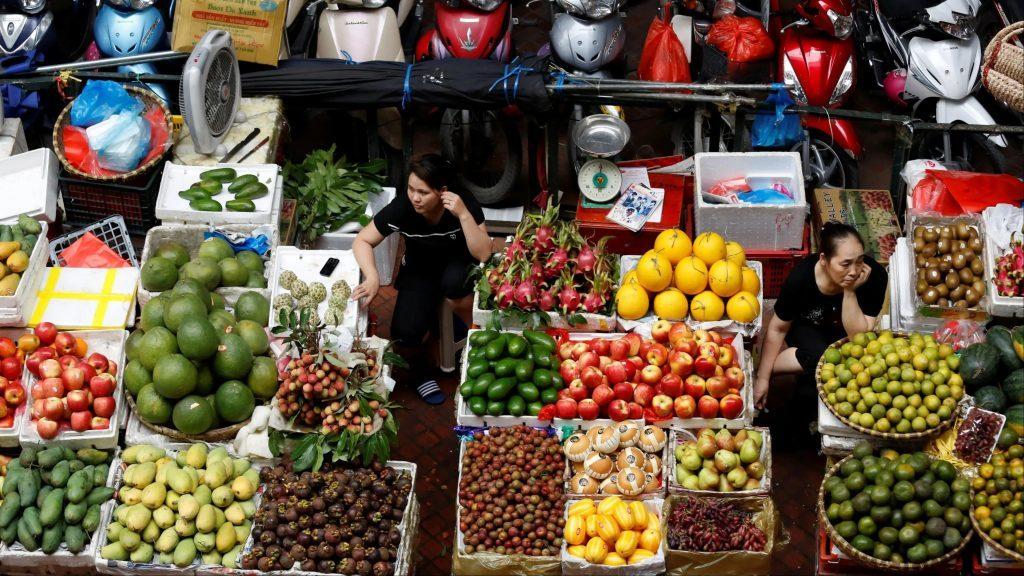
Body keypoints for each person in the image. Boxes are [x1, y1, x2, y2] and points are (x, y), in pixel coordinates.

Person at [351, 155, 492, 404]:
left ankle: (474, 335)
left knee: (455, 284)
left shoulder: (463, 201)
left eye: (423, 192)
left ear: (442, 192)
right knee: (404, 332)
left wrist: (463, 215)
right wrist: (372, 276)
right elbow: (363, 240)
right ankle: (420, 373)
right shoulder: (403, 207)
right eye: (411, 189)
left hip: (457, 263)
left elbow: (483, 252)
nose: (415, 197)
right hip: (420, 268)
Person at [754, 222, 888, 409]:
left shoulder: (874, 276)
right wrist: (763, 377)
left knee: (850, 363)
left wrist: (849, 291)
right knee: (823, 359)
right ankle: (774, 366)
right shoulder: (801, 278)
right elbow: (778, 328)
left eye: (859, 260)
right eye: (845, 264)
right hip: (807, 325)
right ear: (824, 259)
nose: (855, 271)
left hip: (846, 327)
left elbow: (858, 338)